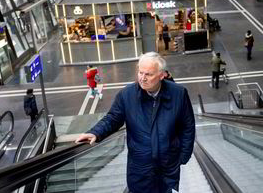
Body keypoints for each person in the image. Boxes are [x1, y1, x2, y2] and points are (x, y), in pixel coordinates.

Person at [76, 52, 195, 193]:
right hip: (140, 168)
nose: (142, 78)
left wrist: (183, 156)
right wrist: (95, 132)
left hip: (168, 167)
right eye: (140, 72)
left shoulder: (179, 94)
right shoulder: (127, 95)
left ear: (162, 75)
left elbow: (188, 127)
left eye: (148, 74)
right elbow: (113, 118)